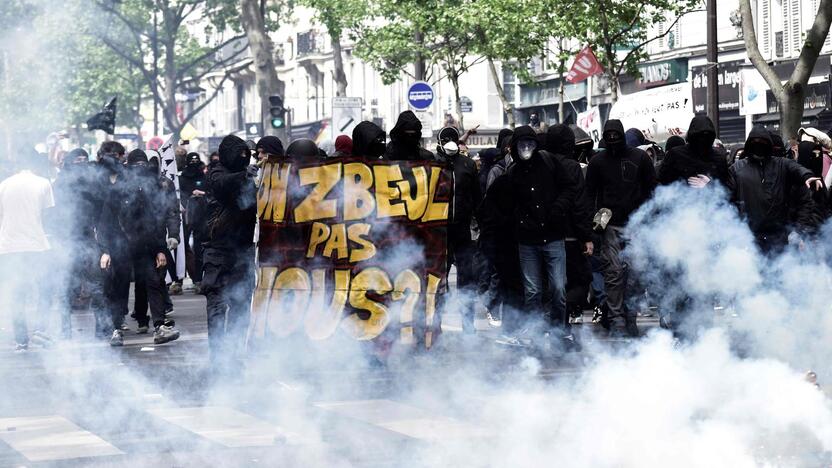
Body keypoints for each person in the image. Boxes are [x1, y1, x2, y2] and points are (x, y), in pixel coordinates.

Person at [504, 125, 578, 350]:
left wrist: (558, 208)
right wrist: (520, 221)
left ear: (536, 145)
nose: (526, 148)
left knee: (558, 287)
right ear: (515, 148)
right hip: (528, 240)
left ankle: (559, 331)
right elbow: (508, 205)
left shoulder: (549, 162)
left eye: (530, 143)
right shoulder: (513, 173)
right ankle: (535, 332)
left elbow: (569, 189)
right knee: (533, 291)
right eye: (522, 144)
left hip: (553, 235)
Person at [586, 119, 657, 337]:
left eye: (616, 136)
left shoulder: (640, 158)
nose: (614, 141)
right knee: (614, 274)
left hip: (635, 223)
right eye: (610, 137)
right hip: (610, 225)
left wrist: (647, 220)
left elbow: (651, 190)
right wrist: (595, 227)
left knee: (635, 275)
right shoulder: (598, 162)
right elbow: (590, 196)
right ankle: (617, 320)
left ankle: (630, 316)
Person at [203, 134, 258, 375]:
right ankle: (218, 358)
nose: (243, 160)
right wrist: (244, 176)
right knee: (216, 305)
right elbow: (222, 184)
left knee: (241, 306)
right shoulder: (217, 172)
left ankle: (235, 356)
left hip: (243, 252)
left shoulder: (249, 176)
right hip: (218, 251)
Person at [729, 126, 820, 253]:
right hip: (749, 238)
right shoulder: (738, 168)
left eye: (763, 143)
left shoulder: (781, 164)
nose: (759, 146)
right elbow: (726, 196)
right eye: (755, 142)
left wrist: (807, 176)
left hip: (779, 238)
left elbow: (796, 168)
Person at [121, 150, 180, 343]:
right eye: (135, 165)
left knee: (155, 280)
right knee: (123, 283)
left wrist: (171, 236)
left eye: (142, 164)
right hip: (126, 242)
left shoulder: (161, 184)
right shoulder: (122, 185)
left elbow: (170, 211)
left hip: (152, 240)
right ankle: (123, 322)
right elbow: (114, 216)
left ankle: (157, 323)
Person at [0, 150, 55, 351]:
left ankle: (21, 340)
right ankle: (40, 329)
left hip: (8, 247)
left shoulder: (3, 185)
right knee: (45, 290)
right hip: (37, 246)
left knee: (17, 294)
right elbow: (48, 217)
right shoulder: (43, 183)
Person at [544, 125, 594, 326]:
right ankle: (561, 323)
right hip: (570, 236)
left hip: (545, 235)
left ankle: (554, 323)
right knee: (580, 281)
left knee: (553, 284)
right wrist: (586, 237)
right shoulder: (572, 167)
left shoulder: (541, 164)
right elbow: (579, 205)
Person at [435, 127, 481, 333]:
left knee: (467, 278)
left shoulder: (468, 165)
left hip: (462, 231)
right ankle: (436, 324)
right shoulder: (433, 164)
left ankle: (468, 325)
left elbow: (477, 197)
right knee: (438, 279)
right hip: (440, 233)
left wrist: (480, 225)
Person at [50, 148, 97, 338]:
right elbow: (53, 212)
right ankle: (64, 329)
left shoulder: (91, 182)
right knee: (67, 284)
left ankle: (104, 329)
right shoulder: (60, 183)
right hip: (67, 239)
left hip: (89, 238)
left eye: (85, 160)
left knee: (96, 284)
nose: (82, 163)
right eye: (78, 160)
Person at [658, 116, 730, 188]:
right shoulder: (675, 155)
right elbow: (662, 182)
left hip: (711, 198)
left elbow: (728, 189)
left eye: (707, 136)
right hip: (680, 197)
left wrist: (710, 185)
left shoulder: (719, 159)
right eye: (699, 136)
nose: (703, 140)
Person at [179, 152, 207, 290]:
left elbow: (210, 192)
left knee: (199, 247)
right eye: (192, 160)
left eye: (197, 160)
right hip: (187, 216)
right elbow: (180, 194)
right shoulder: (182, 178)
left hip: (201, 215)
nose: (194, 163)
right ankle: (178, 278)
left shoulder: (204, 176)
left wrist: (202, 194)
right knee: (182, 245)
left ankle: (198, 278)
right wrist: (189, 196)